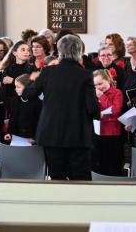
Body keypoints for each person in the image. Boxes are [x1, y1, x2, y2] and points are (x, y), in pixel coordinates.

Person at [22, 34, 100, 180]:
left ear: (59, 51)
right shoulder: (85, 75)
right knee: (80, 180)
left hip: (51, 135)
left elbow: (27, 94)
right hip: (78, 136)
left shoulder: (47, 72)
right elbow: (92, 109)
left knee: (57, 179)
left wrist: (32, 80)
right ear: (79, 51)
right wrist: (98, 110)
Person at [93, 69, 124, 176]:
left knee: (113, 164)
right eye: (96, 85)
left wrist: (101, 96)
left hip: (113, 133)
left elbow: (115, 110)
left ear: (108, 80)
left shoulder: (117, 92)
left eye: (100, 83)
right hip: (98, 133)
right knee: (100, 164)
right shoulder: (93, 94)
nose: (98, 87)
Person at [3, 74, 41, 145]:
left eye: (18, 87)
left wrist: (35, 137)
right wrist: (9, 133)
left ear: (28, 87)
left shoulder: (37, 102)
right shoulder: (15, 100)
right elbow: (12, 118)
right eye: (15, 86)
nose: (15, 89)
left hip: (30, 139)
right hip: (16, 138)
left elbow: (39, 122)